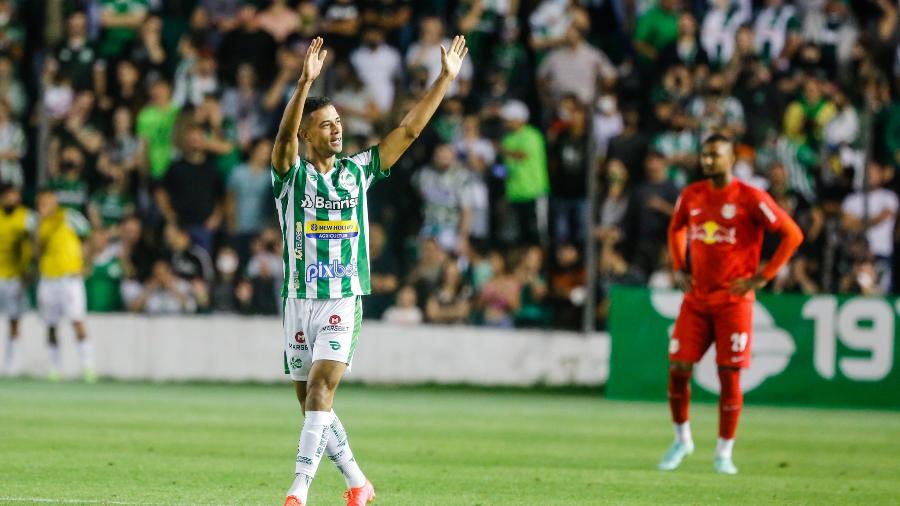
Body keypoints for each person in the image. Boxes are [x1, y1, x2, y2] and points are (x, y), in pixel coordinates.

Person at [270, 36, 468, 506]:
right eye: (325, 125)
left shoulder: (359, 172)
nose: (337, 130)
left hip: (342, 298)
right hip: (298, 299)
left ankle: (298, 490)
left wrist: (444, 80)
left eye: (338, 122)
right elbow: (281, 140)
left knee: (321, 389)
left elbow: (408, 131)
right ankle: (358, 483)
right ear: (307, 133)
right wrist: (303, 85)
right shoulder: (291, 177)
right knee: (311, 405)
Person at [660, 134, 803, 474]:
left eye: (715, 155)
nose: (708, 161)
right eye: (705, 155)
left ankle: (724, 452)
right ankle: (682, 439)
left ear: (731, 159)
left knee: (729, 375)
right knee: (678, 368)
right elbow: (676, 229)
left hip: (733, 300)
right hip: (696, 298)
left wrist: (764, 275)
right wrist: (680, 266)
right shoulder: (691, 194)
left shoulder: (750, 197)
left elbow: (792, 234)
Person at [35, 189, 95, 382]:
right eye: (41, 203)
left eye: (47, 201)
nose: (44, 206)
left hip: (69, 278)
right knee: (51, 325)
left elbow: (90, 236)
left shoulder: (70, 216)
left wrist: (87, 264)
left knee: (77, 321)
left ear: (54, 201)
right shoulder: (39, 224)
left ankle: (88, 367)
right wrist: (38, 228)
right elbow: (36, 251)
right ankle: (55, 369)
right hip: (48, 278)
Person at [0, 184, 34, 374]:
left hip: (14, 278)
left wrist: (28, 271)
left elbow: (33, 245)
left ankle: (11, 364)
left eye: (13, 195)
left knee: (14, 321)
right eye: (6, 195)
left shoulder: (27, 218)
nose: (10, 199)